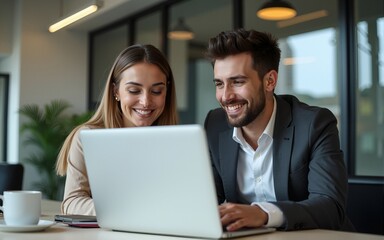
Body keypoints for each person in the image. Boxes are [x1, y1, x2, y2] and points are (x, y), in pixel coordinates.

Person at [204, 29, 354, 232]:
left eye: (237, 82)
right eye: (219, 84)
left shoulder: (314, 124)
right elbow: (206, 199)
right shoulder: (215, 124)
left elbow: (330, 207)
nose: (226, 96)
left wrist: (264, 214)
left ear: (270, 81)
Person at [56, 44, 178, 215]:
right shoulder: (88, 137)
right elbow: (72, 202)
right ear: (116, 91)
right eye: (134, 90)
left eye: (156, 91)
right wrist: (129, 211)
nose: (145, 101)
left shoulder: (176, 143)